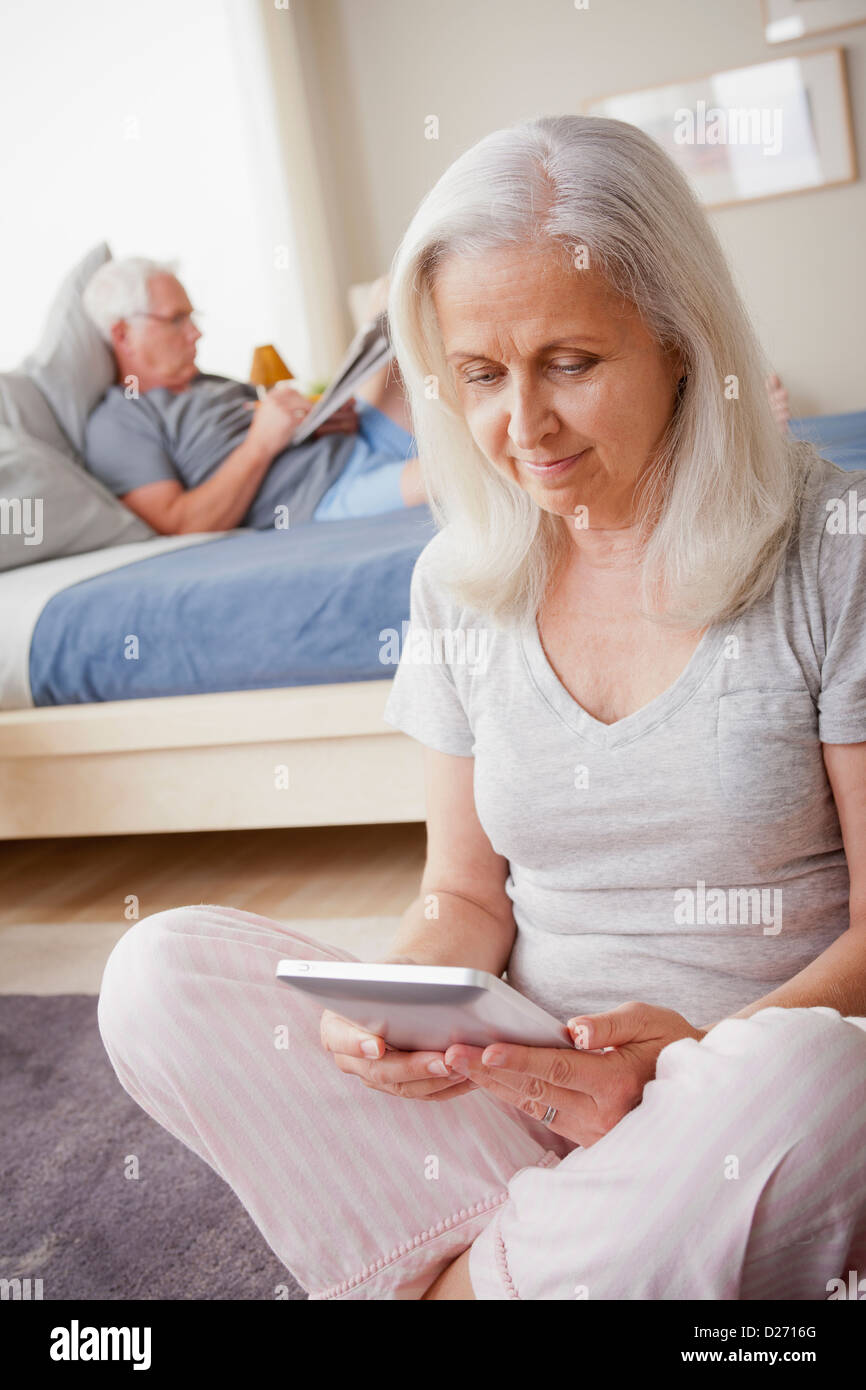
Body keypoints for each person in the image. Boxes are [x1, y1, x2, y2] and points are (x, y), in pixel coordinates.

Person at [96, 114, 866, 1300]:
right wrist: (392, 1007)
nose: (523, 427)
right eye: (478, 375)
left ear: (676, 339)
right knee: (159, 971)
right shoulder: (458, 578)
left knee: (818, 1081)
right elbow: (460, 897)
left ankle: (463, 1279)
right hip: (517, 1085)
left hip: (734, 1102)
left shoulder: (832, 548)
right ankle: (562, 1260)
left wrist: (690, 1057)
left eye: (570, 361)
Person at [81, 259, 426, 533]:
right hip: (327, 488)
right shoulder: (118, 421)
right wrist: (261, 444)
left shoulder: (210, 383)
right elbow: (181, 523)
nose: (196, 333)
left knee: (393, 288)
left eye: (192, 317)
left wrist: (324, 419)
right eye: (176, 320)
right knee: (453, 475)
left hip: (361, 438)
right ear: (123, 334)